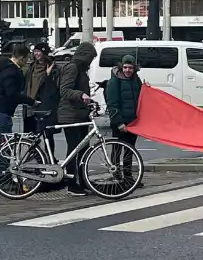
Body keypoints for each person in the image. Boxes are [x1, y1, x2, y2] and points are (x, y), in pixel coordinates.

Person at [57, 41, 98, 196]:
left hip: (80, 114)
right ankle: (72, 183)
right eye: (90, 58)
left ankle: (82, 179)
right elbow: (65, 90)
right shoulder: (72, 68)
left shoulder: (81, 70)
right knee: (74, 149)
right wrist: (81, 95)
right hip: (70, 114)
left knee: (83, 149)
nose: (91, 61)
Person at [0, 43, 36, 148]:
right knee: (5, 147)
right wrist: (32, 102)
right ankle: (0, 164)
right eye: (27, 59)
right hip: (1, 111)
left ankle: (0, 163)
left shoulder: (5, 67)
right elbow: (13, 94)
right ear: (22, 58)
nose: (27, 62)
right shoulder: (11, 71)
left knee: (2, 145)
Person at [105, 54, 143, 184]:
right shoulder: (114, 81)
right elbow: (112, 104)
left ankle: (128, 177)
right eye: (125, 67)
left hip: (133, 121)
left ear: (134, 69)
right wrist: (119, 122)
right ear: (122, 67)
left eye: (130, 68)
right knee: (117, 149)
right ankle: (116, 175)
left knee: (129, 150)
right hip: (120, 123)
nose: (128, 70)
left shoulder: (136, 80)